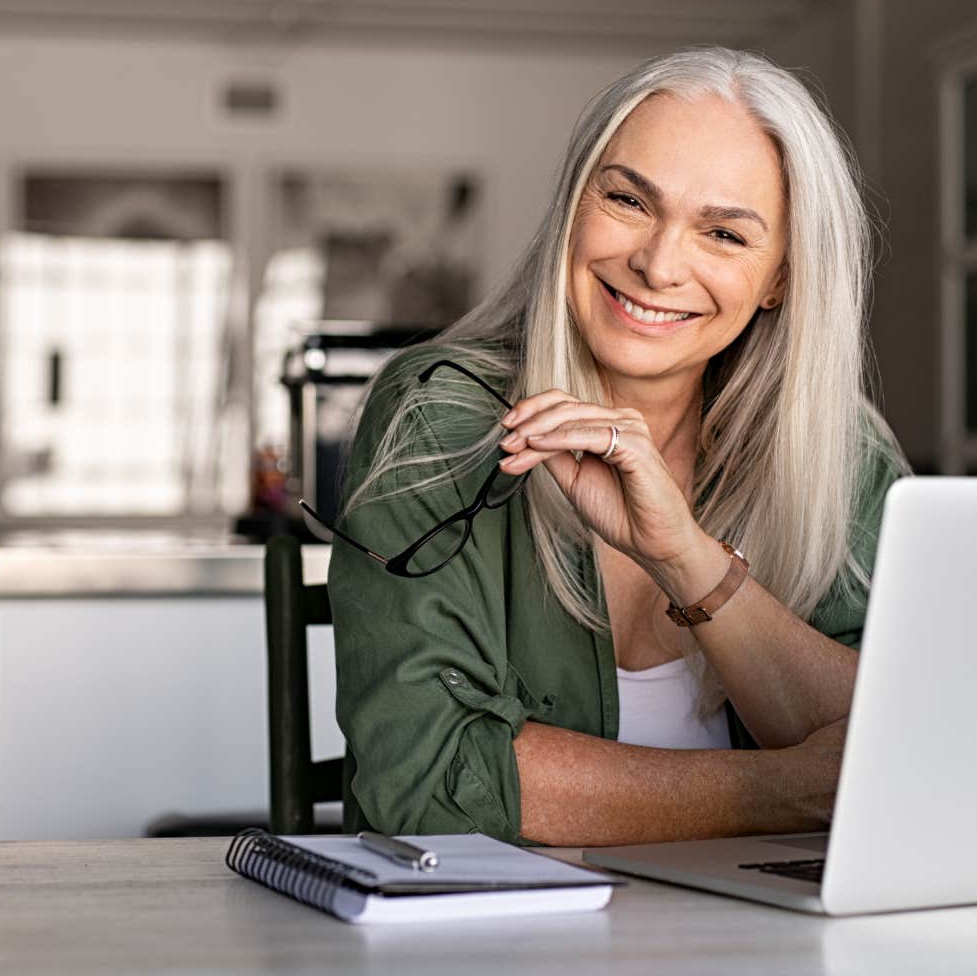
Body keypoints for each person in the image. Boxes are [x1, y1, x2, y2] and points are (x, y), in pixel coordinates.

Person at [316, 45, 908, 847]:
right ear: (573, 205)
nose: (658, 264)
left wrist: (687, 560)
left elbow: (908, 753)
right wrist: (783, 789)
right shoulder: (443, 413)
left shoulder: (840, 452)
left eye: (725, 234)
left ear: (781, 280)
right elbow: (427, 782)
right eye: (629, 200)